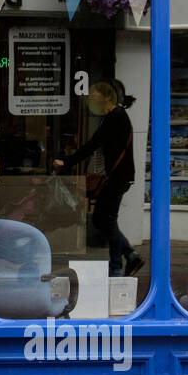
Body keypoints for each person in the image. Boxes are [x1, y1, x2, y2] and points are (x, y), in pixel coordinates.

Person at [54, 79, 145, 278]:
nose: (92, 96)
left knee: (107, 219)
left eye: (97, 93)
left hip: (118, 177)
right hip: (117, 177)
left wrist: (67, 162)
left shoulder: (116, 117)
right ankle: (129, 254)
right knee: (101, 219)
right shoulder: (112, 116)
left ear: (107, 96)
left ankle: (117, 267)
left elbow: (92, 144)